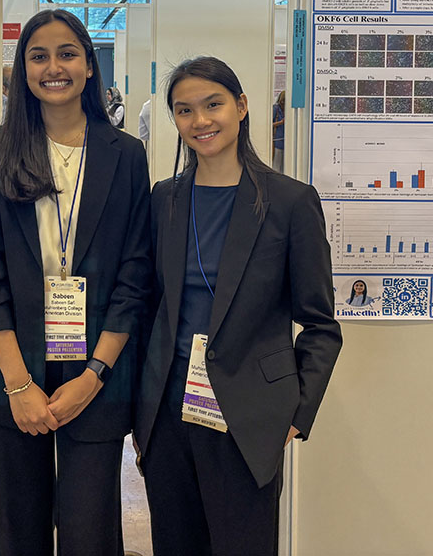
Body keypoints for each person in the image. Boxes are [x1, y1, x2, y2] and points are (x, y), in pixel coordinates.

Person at [134, 56, 342, 556]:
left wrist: (296, 412)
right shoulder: (164, 199)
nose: (200, 121)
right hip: (167, 411)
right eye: (184, 110)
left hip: (249, 414)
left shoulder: (290, 202)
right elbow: (149, 308)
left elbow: (320, 324)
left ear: (242, 106)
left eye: (213, 104)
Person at [0, 8, 152, 556]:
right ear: (22, 69)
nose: (54, 67)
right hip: (11, 368)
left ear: (89, 66)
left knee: (89, 531)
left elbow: (134, 273)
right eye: (38, 55)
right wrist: (19, 385)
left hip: (98, 365)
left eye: (67, 53)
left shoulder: (125, 155)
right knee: (17, 529)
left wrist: (95, 375)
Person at [272, 90, 286, 171]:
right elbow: (268, 125)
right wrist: (280, 123)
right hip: (277, 142)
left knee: (284, 167)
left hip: (286, 142)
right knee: (276, 166)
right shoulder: (276, 109)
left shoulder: (288, 110)